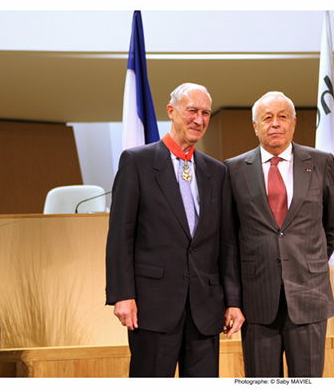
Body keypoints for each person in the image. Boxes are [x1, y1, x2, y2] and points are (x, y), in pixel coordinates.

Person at [105, 82, 245, 377]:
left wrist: (233, 301)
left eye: (206, 113)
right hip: (153, 308)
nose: (199, 119)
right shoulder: (137, 162)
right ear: (171, 111)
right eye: (192, 110)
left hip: (205, 311)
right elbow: (121, 234)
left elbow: (227, 244)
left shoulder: (217, 172)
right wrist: (122, 294)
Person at [224, 91, 334, 377]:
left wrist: (307, 260)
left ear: (294, 123)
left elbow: (333, 225)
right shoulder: (233, 169)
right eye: (267, 118)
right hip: (256, 301)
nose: (275, 123)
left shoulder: (321, 162)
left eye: (282, 117)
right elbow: (229, 236)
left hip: (309, 295)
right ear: (255, 126)